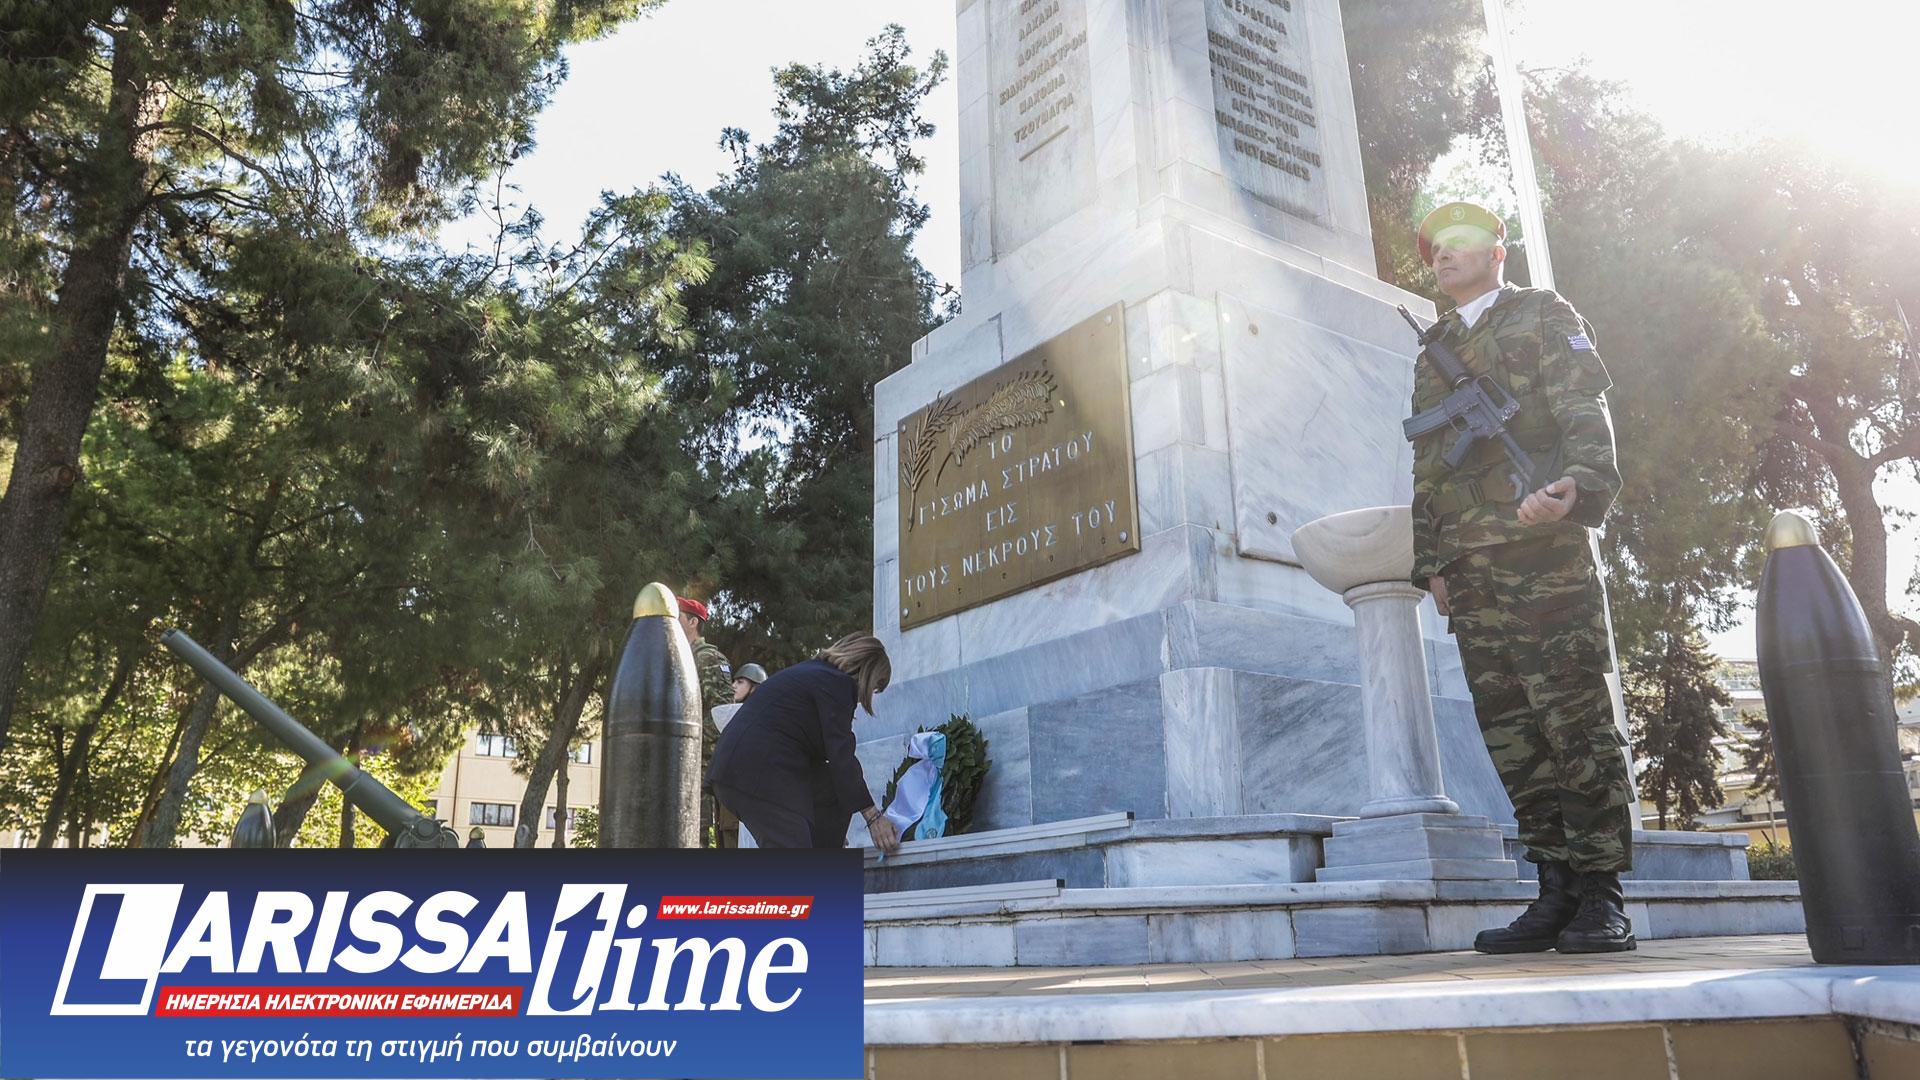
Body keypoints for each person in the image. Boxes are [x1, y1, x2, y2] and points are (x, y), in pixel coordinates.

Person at [1409, 201, 1637, 954]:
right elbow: (1427, 467)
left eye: (1461, 243)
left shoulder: (1542, 313)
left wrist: (1579, 484)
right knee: (1513, 735)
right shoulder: (1433, 348)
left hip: (1543, 553)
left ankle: (1602, 896)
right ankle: (1554, 890)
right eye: (1436, 247)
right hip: (1470, 571)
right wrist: (1431, 562)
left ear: (1497, 251)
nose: (1445, 255)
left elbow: (1584, 407)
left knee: (1573, 724)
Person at [709, 633, 901, 853]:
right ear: (867, 673)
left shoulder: (814, 674)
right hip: (756, 773)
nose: (866, 697)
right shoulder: (837, 683)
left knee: (831, 788)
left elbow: (826, 768)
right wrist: (873, 818)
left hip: (745, 769)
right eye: (874, 687)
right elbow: (842, 757)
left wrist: (826, 833)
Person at [677, 596, 732, 847]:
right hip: (684, 759)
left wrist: (693, 739)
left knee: (697, 830)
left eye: (678, 617)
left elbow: (723, 713)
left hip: (703, 761)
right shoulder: (681, 657)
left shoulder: (708, 658)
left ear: (692, 622)